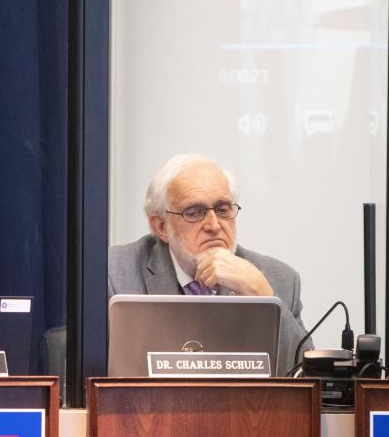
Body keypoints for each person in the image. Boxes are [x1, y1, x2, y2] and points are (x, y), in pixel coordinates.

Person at [108, 153, 311, 374]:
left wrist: (265, 298)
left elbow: (307, 380)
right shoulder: (113, 275)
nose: (214, 225)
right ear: (161, 227)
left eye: (223, 210)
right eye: (194, 213)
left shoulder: (280, 280)